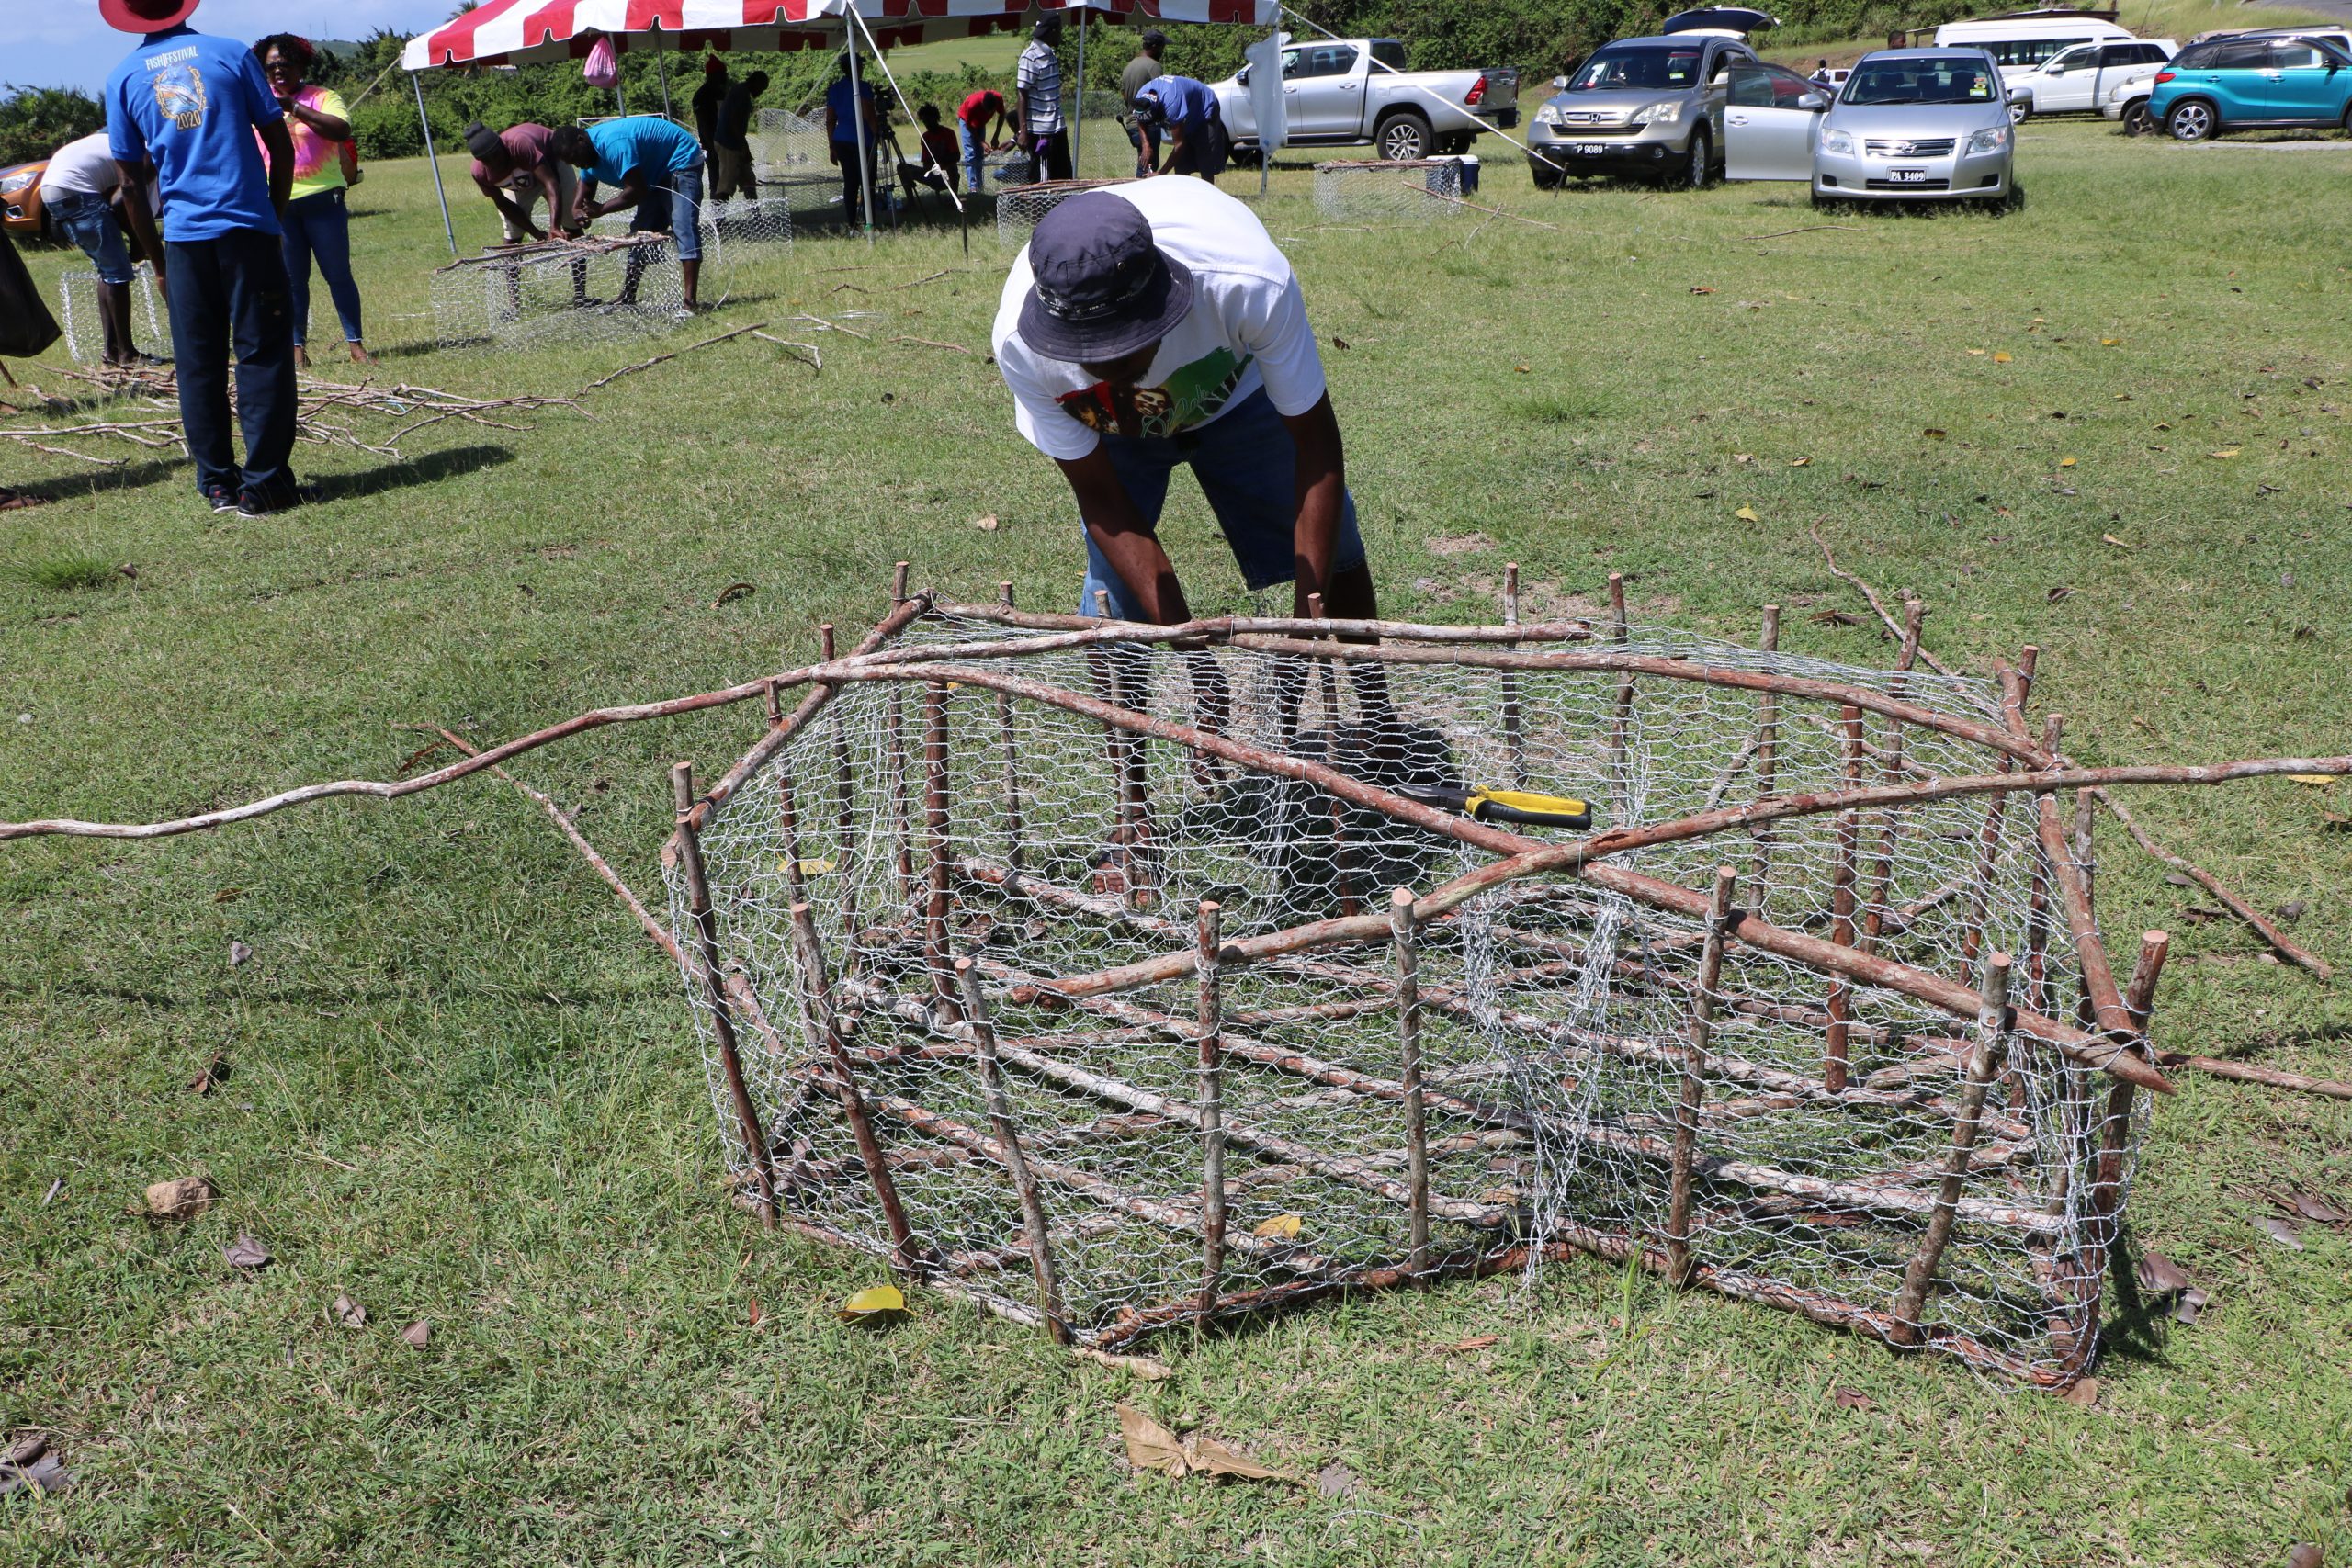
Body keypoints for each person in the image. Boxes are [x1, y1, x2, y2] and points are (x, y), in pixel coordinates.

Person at [991, 182, 1374, 633]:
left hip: (1238, 394)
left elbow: (1318, 452)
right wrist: (1188, 648)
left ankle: (1374, 703)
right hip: (1113, 426)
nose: (1109, 369)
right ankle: (1122, 704)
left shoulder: (1247, 283)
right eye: (1087, 354)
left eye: (1126, 350)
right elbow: (1101, 497)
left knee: (1338, 555)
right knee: (1112, 599)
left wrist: (1302, 639)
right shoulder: (1021, 346)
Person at [104, 0, 304, 519]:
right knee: (262, 356)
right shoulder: (231, 54)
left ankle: (217, 483)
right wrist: (272, 217)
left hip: (185, 241)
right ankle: (264, 486)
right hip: (246, 230)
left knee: (198, 365)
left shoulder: (123, 77)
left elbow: (129, 185)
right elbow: (279, 147)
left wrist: (160, 262)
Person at [252, 33, 365, 367]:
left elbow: (341, 130)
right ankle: (297, 348)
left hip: (323, 200)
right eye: (271, 67)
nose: (278, 72)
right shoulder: (257, 101)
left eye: (285, 65)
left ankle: (356, 344)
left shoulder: (323, 97)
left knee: (338, 274)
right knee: (291, 280)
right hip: (280, 204)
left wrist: (295, 108)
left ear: (300, 65)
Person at [550, 116, 707, 314]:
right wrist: (576, 208)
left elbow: (636, 191)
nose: (578, 164)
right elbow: (587, 182)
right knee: (641, 231)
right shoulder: (587, 156)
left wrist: (602, 209)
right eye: (572, 162)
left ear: (581, 139)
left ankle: (689, 304)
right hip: (652, 173)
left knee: (683, 225)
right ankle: (628, 297)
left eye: (576, 157)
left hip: (679, 159)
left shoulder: (613, 144)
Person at [40, 130, 157, 367]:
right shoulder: (150, 155)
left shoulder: (124, 142)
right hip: (76, 190)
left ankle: (112, 351)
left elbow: (114, 199)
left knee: (109, 272)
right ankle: (127, 354)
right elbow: (123, 199)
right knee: (118, 274)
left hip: (54, 189)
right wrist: (138, 242)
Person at [465, 119, 577, 243]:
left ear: (502, 145)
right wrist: (536, 232)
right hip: (523, 179)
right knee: (513, 231)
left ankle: (579, 262)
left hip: (551, 165)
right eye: (487, 160)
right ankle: (511, 263)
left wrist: (554, 228)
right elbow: (502, 203)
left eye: (496, 155)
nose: (494, 162)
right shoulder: (480, 173)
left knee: (570, 219)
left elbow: (551, 182)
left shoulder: (519, 144)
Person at [1132, 74, 1228, 182]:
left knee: (1205, 162)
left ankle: (1208, 195)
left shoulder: (1171, 102)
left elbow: (1179, 145)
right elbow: (1140, 120)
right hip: (1186, 112)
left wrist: (1161, 173)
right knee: (1181, 167)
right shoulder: (1140, 97)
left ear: (1158, 110)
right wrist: (1146, 145)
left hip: (1204, 110)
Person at [823, 53, 879, 228]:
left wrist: (832, 145)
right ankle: (870, 222)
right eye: (861, 66)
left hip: (841, 139)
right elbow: (868, 115)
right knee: (868, 182)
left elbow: (830, 119)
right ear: (856, 68)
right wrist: (878, 134)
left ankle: (852, 222)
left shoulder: (835, 88)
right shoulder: (862, 87)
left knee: (850, 182)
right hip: (862, 139)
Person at [1014, 15, 1071, 182]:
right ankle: (1038, 209)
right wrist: (1023, 131)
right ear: (1052, 31)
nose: (1061, 34)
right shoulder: (1030, 57)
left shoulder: (1050, 54)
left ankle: (1062, 208)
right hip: (1041, 131)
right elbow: (1022, 94)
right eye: (1060, 30)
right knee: (1042, 182)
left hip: (1058, 127)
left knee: (1063, 178)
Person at [712, 69, 767, 201]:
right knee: (726, 184)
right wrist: (744, 147)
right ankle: (719, 220)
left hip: (734, 143)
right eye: (761, 88)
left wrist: (743, 148)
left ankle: (757, 219)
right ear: (755, 82)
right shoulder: (741, 93)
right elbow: (734, 122)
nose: (761, 92)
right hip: (728, 144)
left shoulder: (741, 91)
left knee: (749, 180)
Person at [1121, 28, 1167, 177]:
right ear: (1154, 47)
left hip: (1131, 124)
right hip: (1148, 124)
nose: (1163, 50)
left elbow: (1124, 95)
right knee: (1148, 169)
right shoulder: (1154, 66)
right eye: (1162, 46)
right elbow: (1160, 95)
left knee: (1144, 163)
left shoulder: (1129, 66)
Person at [896, 103, 962, 204]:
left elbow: (956, 156)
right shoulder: (925, 137)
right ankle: (911, 202)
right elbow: (926, 163)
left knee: (952, 168)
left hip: (946, 174)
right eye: (924, 121)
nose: (927, 124)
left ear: (935, 118)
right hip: (930, 173)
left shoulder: (948, 133)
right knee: (901, 167)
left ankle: (954, 199)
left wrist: (941, 160)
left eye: (928, 120)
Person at [956, 86, 1012, 194]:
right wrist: (982, 142)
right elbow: (969, 125)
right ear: (982, 104)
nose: (989, 113)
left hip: (981, 123)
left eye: (991, 111)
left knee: (980, 154)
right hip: (966, 122)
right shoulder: (973, 104)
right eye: (987, 110)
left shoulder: (998, 98)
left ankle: (980, 186)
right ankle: (973, 188)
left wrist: (996, 136)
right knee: (970, 154)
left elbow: (1002, 115)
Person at [690, 55, 728, 167]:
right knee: (716, 177)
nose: (725, 76)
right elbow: (704, 123)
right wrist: (712, 147)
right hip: (713, 144)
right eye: (722, 73)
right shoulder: (704, 95)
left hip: (722, 143)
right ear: (714, 75)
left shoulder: (719, 92)